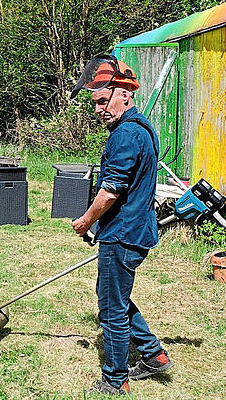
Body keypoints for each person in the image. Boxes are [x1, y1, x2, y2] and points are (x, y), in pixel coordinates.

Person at [70, 59, 173, 396]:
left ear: (126, 92)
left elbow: (111, 190)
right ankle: (154, 355)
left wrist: (86, 220)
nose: (99, 109)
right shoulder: (141, 127)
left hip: (123, 235)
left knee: (111, 309)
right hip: (133, 231)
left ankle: (115, 380)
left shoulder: (126, 135)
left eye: (103, 100)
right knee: (117, 298)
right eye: (95, 103)